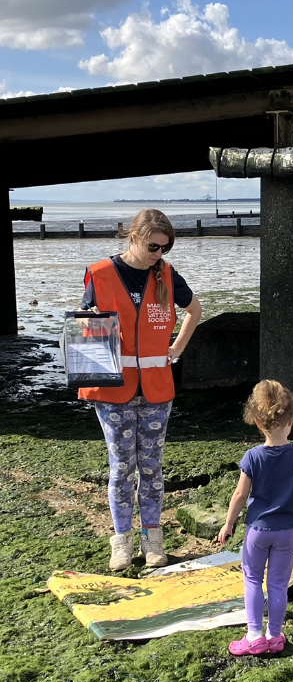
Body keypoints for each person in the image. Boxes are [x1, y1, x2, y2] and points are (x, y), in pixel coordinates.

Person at [79, 209, 202, 571]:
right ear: (134, 238)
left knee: (151, 468)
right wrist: (93, 326)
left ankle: (152, 539)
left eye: (165, 248)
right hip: (112, 389)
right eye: (153, 247)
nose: (158, 254)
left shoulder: (167, 275)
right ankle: (121, 542)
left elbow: (195, 310)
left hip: (156, 389)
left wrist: (176, 349)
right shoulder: (99, 274)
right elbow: (80, 325)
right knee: (122, 468)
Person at [217, 380, 293, 656]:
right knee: (278, 584)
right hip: (288, 531)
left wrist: (228, 523)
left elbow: (240, 495)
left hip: (258, 530)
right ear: (291, 420)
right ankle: (275, 636)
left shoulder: (252, 457)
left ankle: (254, 635)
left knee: (253, 579)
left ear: (257, 422)